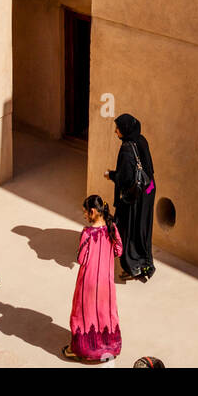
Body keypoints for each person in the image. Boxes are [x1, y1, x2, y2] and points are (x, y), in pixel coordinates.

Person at [63, 195, 123, 362]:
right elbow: (119, 250)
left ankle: (81, 350)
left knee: (83, 314)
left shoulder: (87, 234)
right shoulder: (112, 228)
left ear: (94, 212)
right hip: (107, 282)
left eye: (86, 212)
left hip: (88, 283)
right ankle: (109, 347)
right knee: (106, 313)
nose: (84, 216)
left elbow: (82, 259)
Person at [107, 113, 156, 282]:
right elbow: (149, 169)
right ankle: (145, 264)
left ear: (125, 129)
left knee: (128, 230)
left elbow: (125, 178)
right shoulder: (141, 140)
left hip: (134, 196)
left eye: (118, 128)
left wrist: (111, 175)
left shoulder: (127, 148)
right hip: (148, 191)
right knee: (143, 229)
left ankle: (131, 266)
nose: (116, 132)